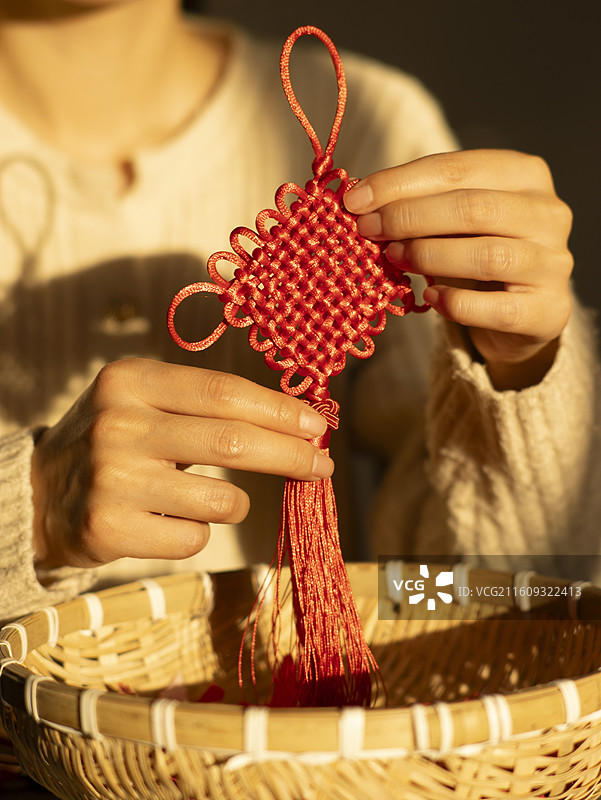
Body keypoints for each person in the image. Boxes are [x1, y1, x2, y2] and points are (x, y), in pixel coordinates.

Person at [0, 0, 591, 624]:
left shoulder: (375, 124)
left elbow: (496, 600)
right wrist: (29, 509)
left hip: (324, 705)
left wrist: (520, 373)